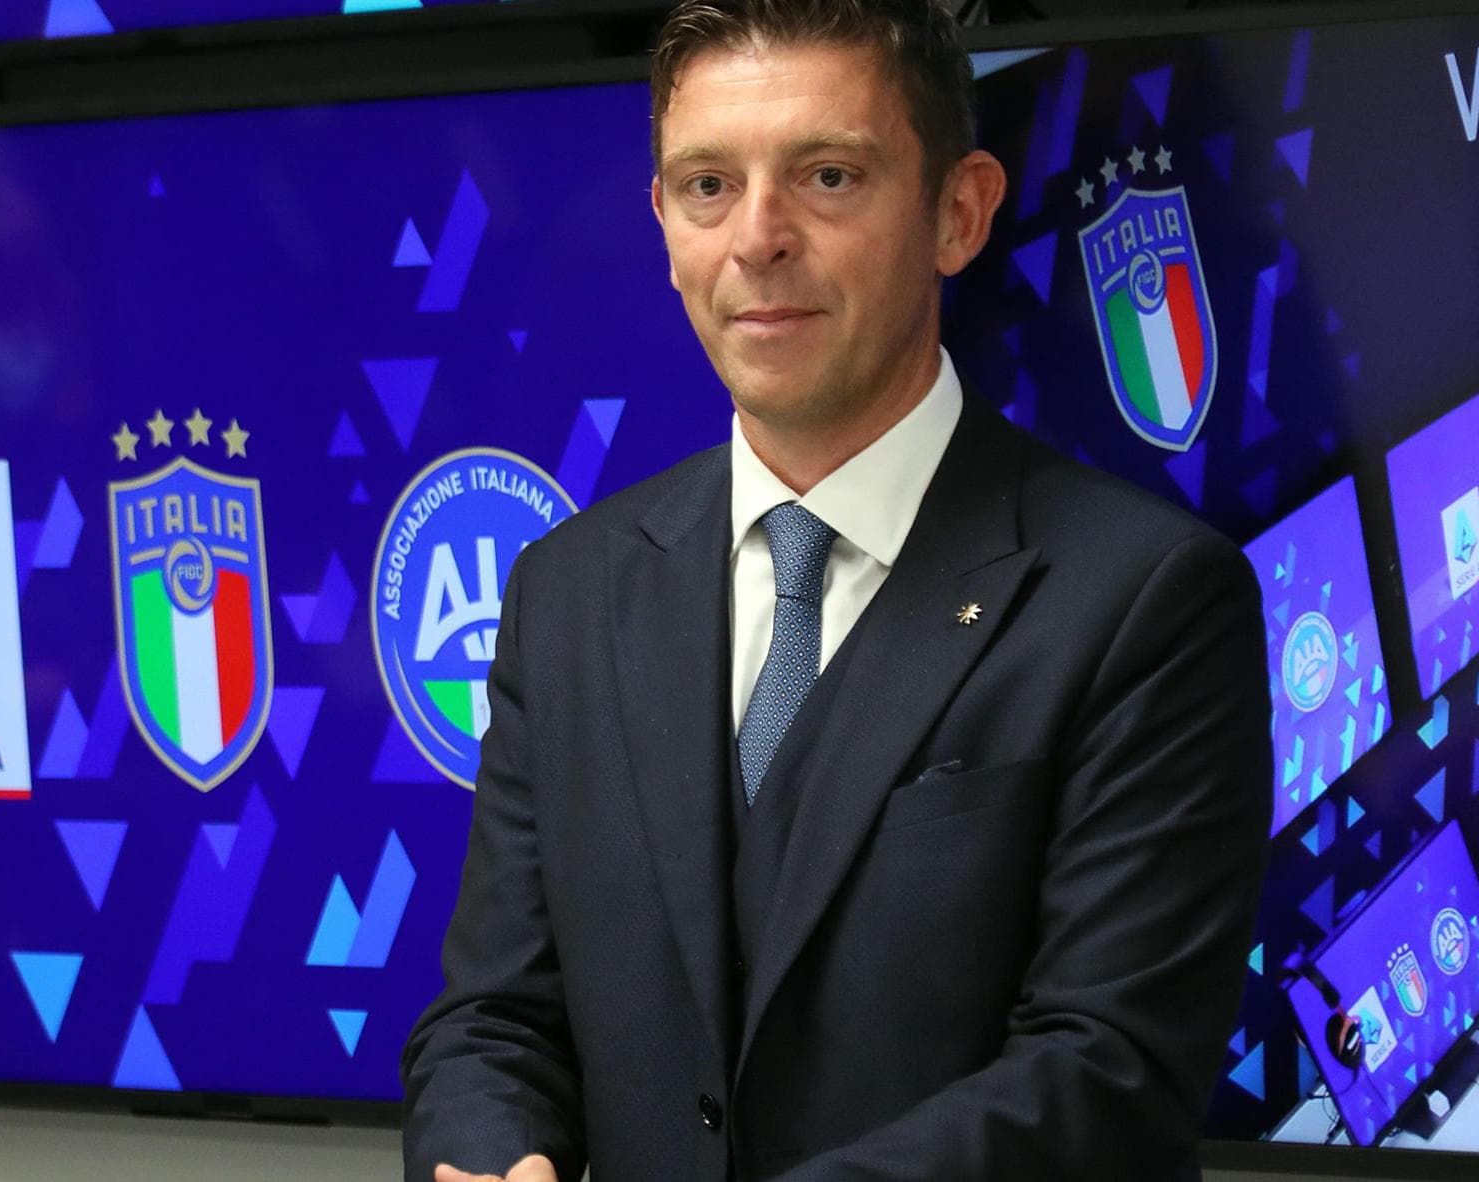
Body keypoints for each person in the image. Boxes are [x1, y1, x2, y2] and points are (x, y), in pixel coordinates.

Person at [400, 1, 1272, 1178]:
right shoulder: (569, 592)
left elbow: (1105, 1074)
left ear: (959, 212)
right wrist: (492, 1155)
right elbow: (493, 1021)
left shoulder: (1148, 601)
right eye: (709, 186)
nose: (758, 238)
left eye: (828, 176)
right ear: (664, 224)